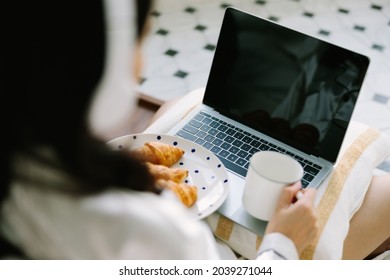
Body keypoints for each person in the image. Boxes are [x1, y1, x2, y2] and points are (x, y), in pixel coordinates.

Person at [0, 0, 386, 260]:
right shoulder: (143, 227)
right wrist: (284, 242)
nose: (139, 65)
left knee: (176, 109)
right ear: (97, 66)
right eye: (141, 41)